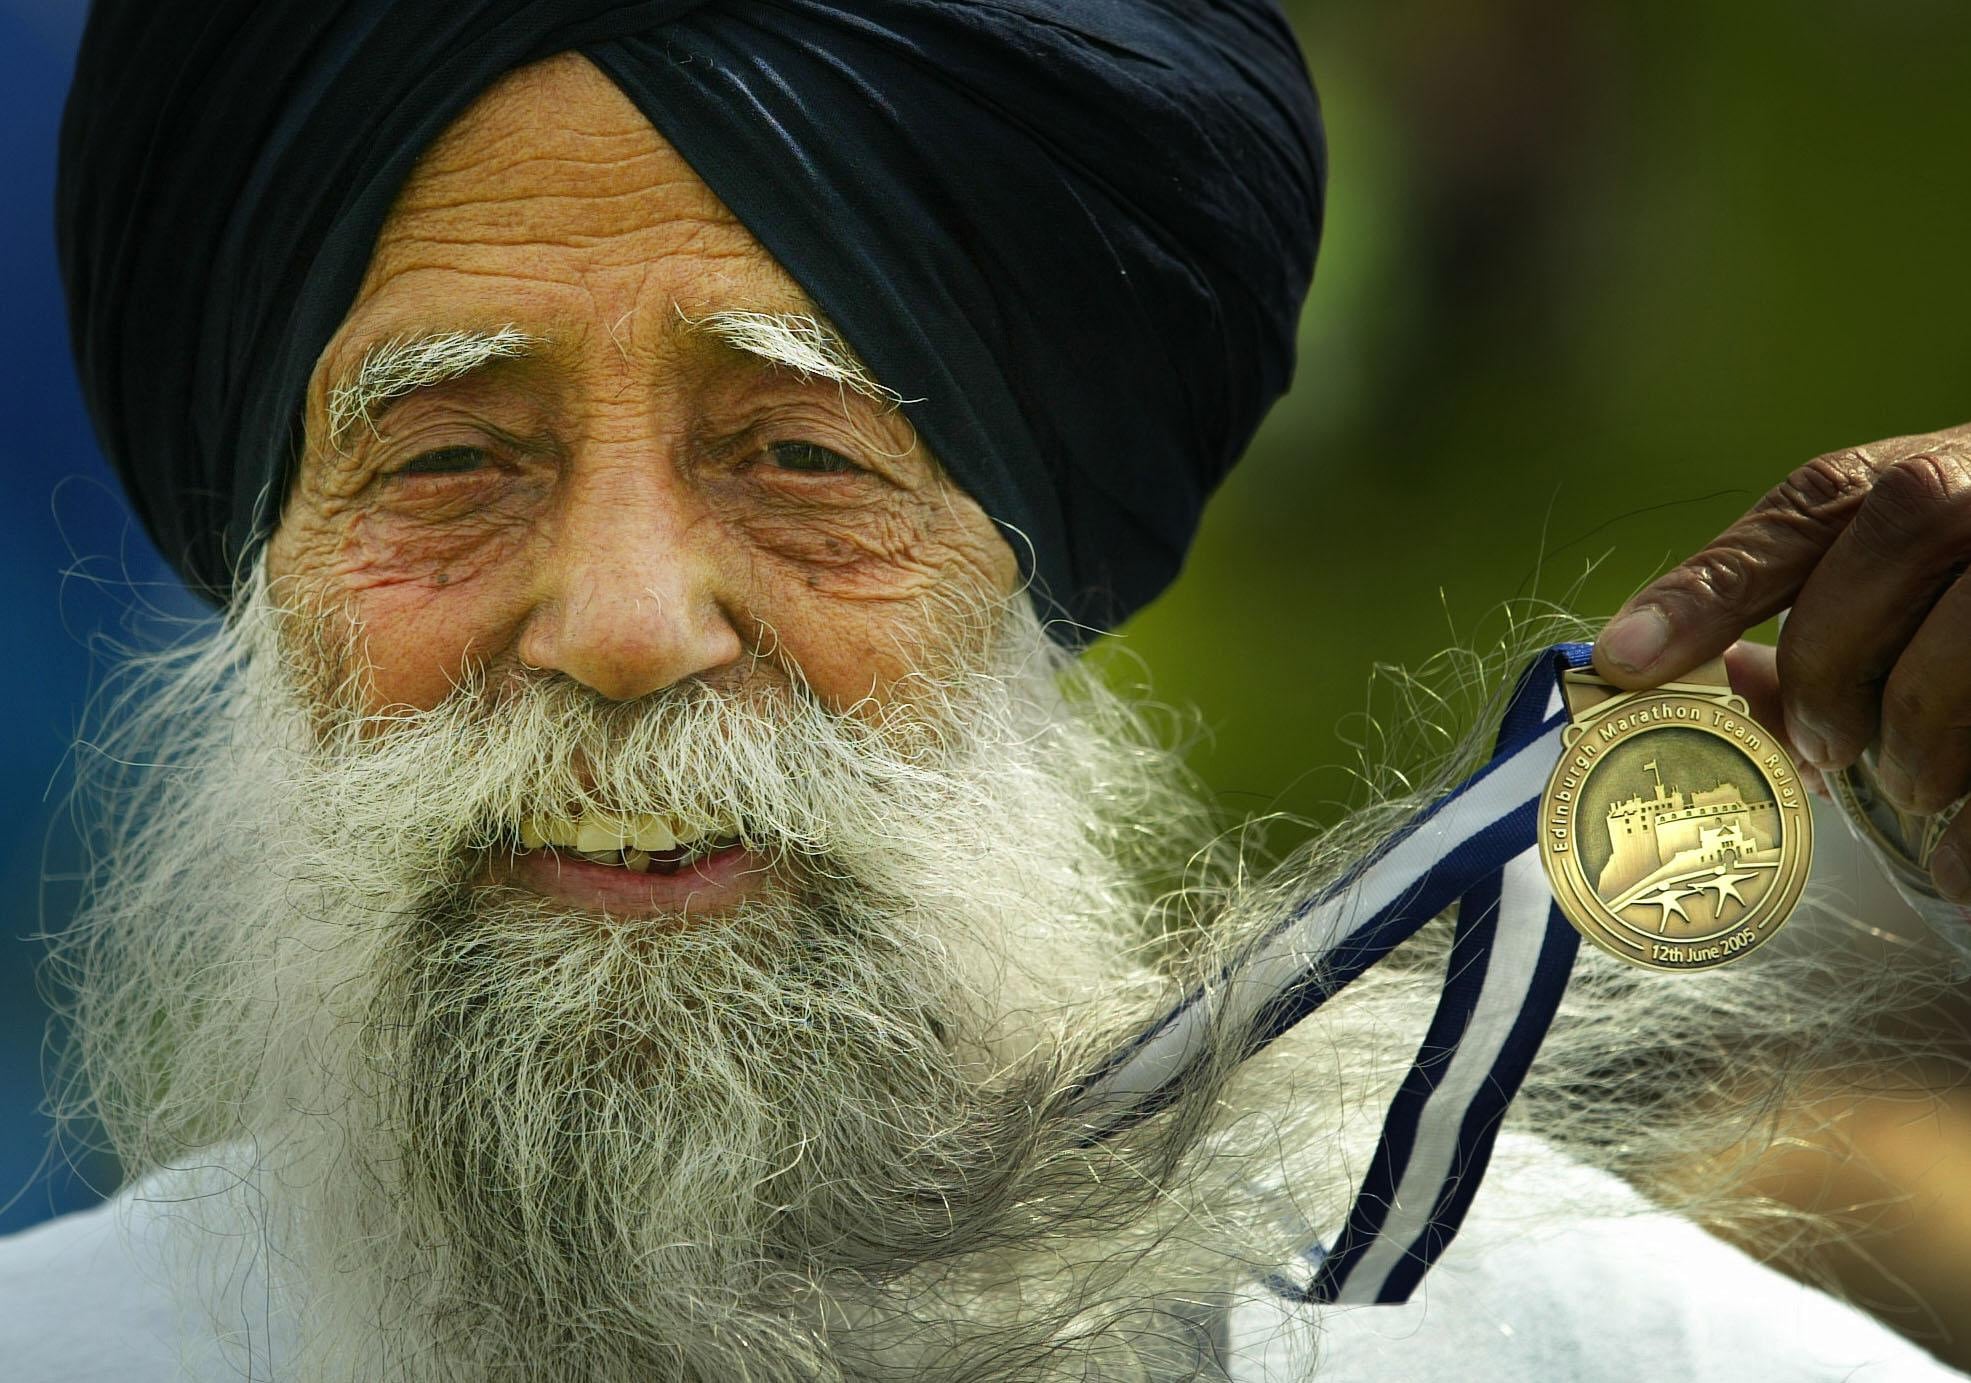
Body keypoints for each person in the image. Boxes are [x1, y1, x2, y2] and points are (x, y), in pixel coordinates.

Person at [8, 2, 1971, 1379]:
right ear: (256, 563)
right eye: (445, 459)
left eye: (802, 455)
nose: (615, 621)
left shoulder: (1609, 1357)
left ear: (1040, 564)